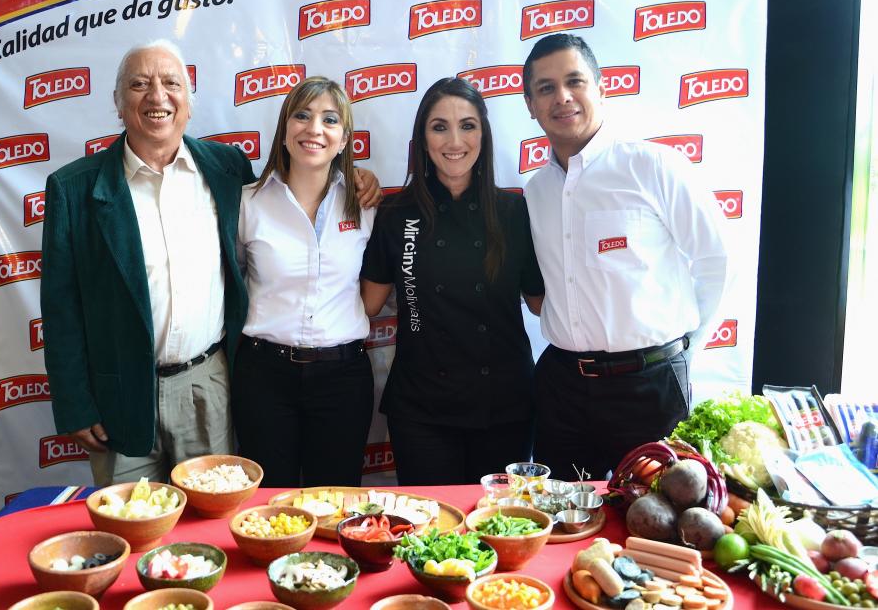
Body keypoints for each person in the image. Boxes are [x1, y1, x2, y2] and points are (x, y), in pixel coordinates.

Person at [41, 42, 380, 486]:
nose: (157, 96)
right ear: (119, 104)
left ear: (188, 103)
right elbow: (60, 306)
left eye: (171, 84)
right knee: (134, 520)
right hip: (121, 393)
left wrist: (357, 176)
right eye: (139, 85)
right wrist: (75, 403)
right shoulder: (74, 189)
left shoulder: (225, 170)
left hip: (208, 386)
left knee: (217, 521)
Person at [521, 33, 729, 480]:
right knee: (563, 525)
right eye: (545, 88)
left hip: (649, 388)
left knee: (656, 527)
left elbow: (715, 259)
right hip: (563, 390)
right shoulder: (536, 192)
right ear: (530, 106)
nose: (562, 97)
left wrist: (688, 349)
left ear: (600, 88)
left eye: (575, 81)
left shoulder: (654, 166)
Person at [361, 77, 544, 486]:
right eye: (439, 126)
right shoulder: (395, 213)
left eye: (468, 125)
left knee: (500, 530)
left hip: (505, 405)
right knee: (431, 528)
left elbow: (541, 302)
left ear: (484, 135)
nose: (454, 140)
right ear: (422, 138)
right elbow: (367, 305)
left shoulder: (514, 211)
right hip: (421, 408)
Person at [232, 76, 376, 488]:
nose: (314, 129)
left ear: (344, 139)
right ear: (284, 129)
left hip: (343, 379)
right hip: (263, 377)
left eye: (330, 120)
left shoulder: (365, 205)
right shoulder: (248, 203)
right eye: (302, 115)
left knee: (335, 506)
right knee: (266, 505)